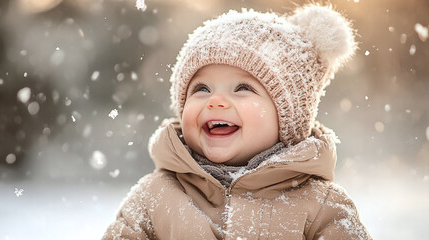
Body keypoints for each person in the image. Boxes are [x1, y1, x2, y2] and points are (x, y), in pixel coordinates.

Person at [102, 4, 372, 239]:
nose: (215, 101)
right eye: (202, 89)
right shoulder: (155, 196)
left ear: (288, 119)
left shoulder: (322, 205)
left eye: (242, 88)